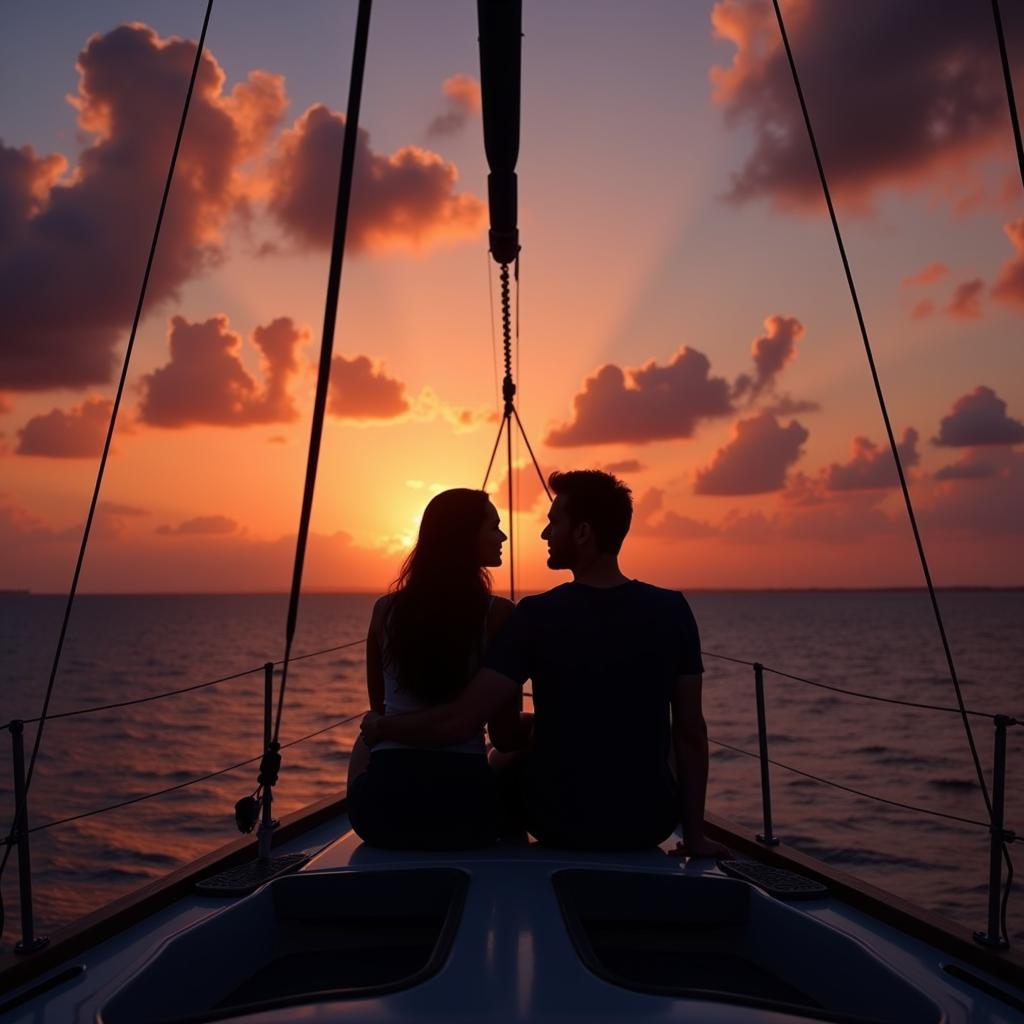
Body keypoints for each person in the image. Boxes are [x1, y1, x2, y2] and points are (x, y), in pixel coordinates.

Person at [363, 469, 727, 856]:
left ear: (583, 533)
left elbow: (467, 722)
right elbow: (690, 731)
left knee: (500, 759)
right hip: (647, 822)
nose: (544, 534)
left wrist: (381, 725)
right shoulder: (673, 610)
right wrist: (696, 835)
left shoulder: (536, 615)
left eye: (553, 522)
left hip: (557, 821)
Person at [347, 488, 527, 849]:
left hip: (379, 814)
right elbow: (505, 735)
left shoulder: (384, 611)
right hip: (463, 813)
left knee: (367, 733)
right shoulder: (498, 615)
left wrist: (386, 728)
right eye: (493, 527)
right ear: (464, 536)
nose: (503, 536)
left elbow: (379, 712)